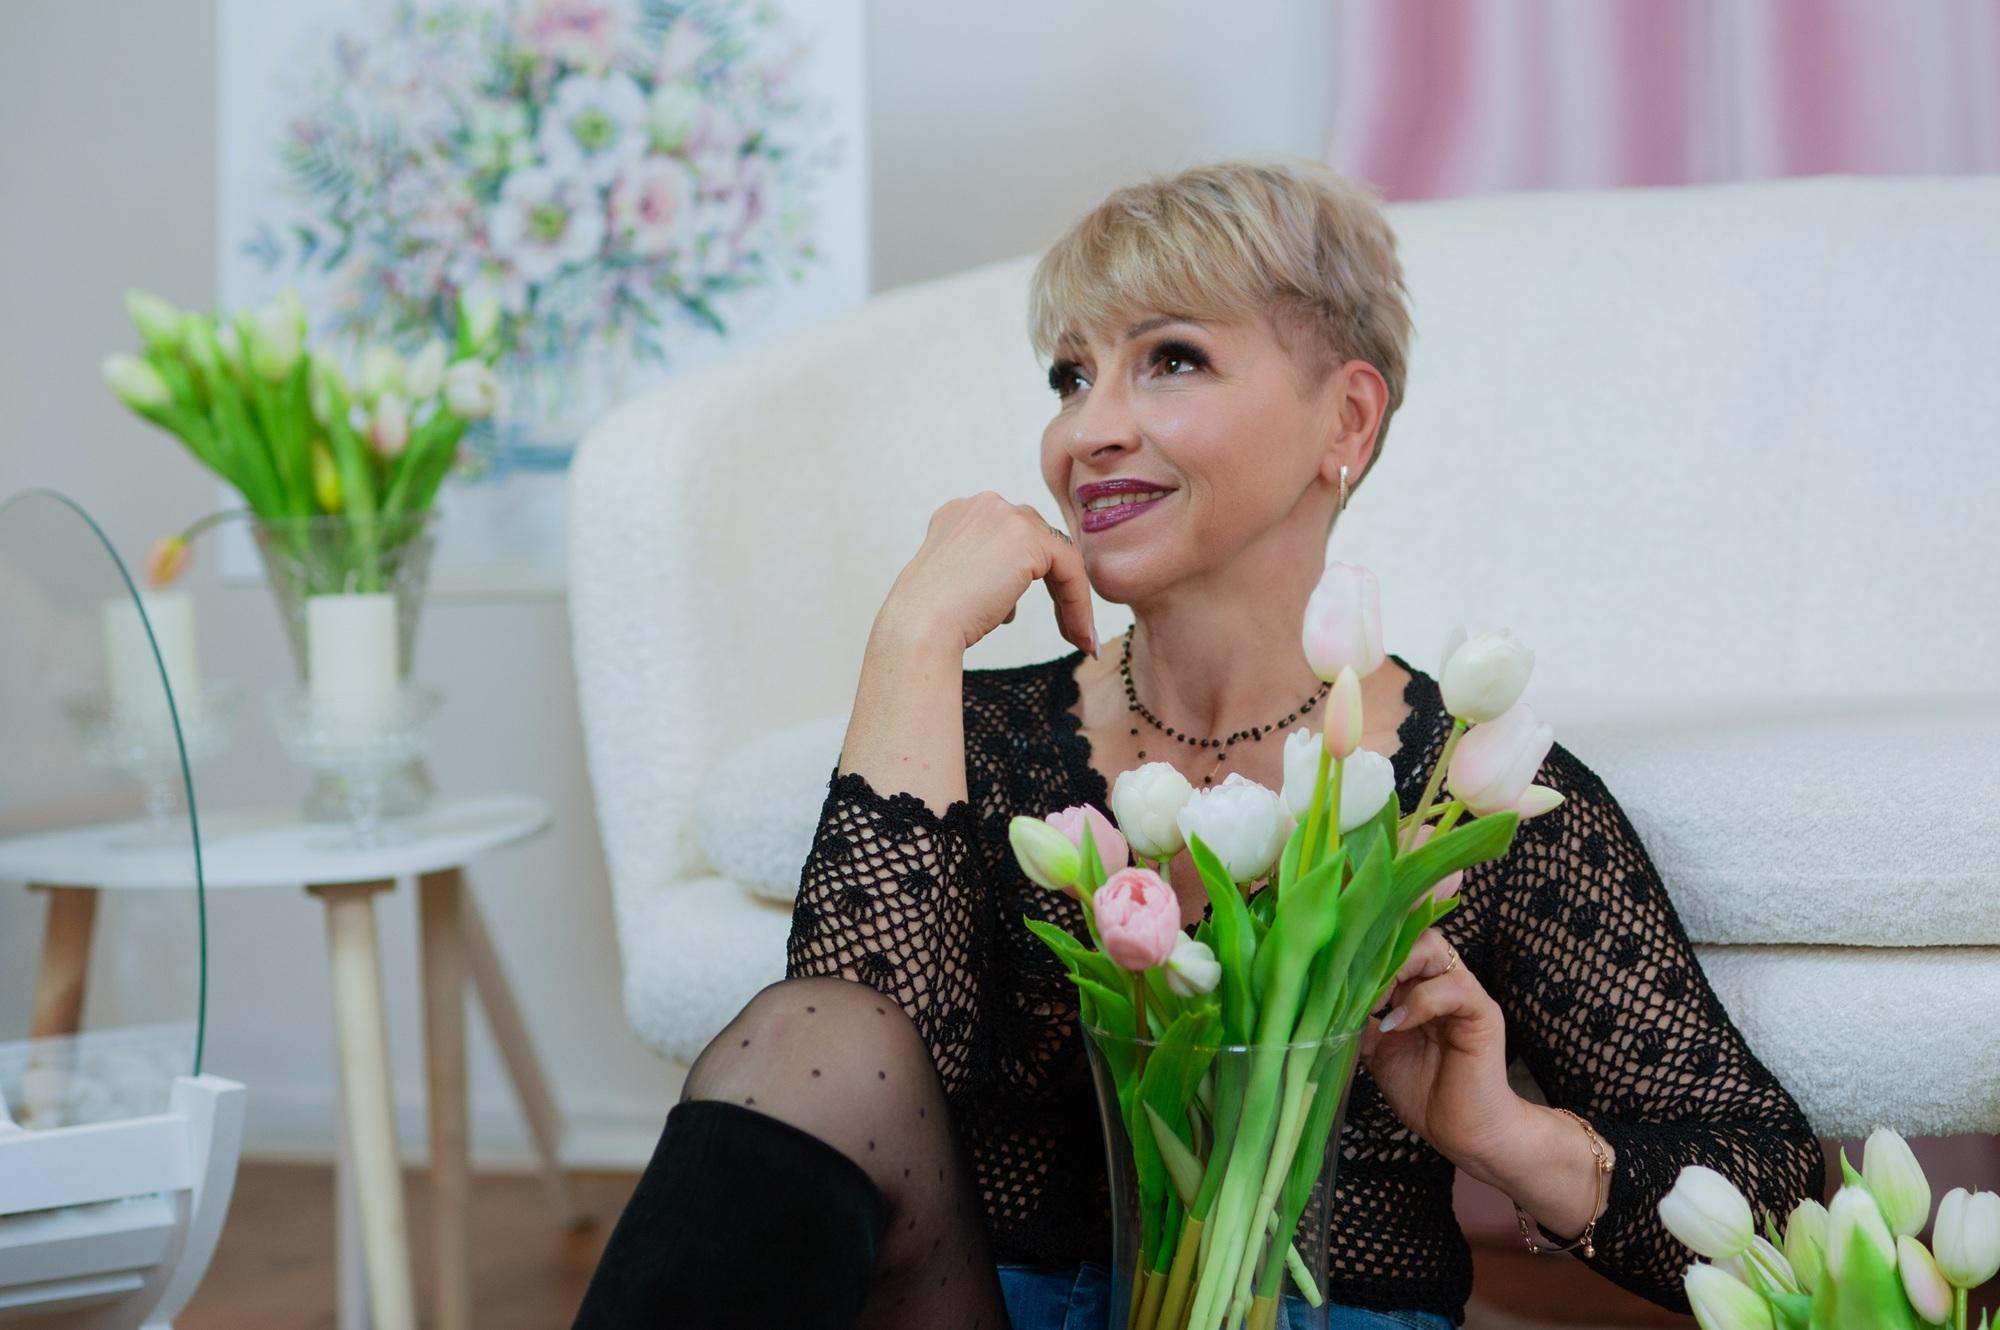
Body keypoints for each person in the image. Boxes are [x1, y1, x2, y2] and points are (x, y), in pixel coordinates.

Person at [571, 156, 1825, 1330]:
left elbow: (1770, 1203)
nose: (1087, 431)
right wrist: (912, 638)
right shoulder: (987, 741)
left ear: (1345, 420)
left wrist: (1499, 1131)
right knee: (816, 1034)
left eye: (1169, 360)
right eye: (1069, 376)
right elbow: (848, 1082)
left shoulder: (1464, 790)